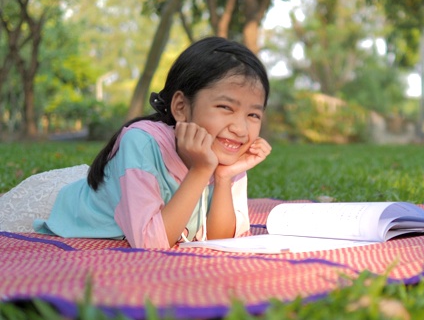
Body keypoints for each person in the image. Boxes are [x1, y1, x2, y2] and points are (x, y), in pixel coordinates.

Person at [32, 36, 272, 249]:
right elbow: (151, 243)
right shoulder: (141, 143)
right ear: (181, 107)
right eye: (225, 107)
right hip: (74, 216)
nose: (240, 129)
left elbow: (221, 241)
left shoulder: (229, 154)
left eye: (253, 115)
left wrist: (222, 177)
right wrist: (200, 171)